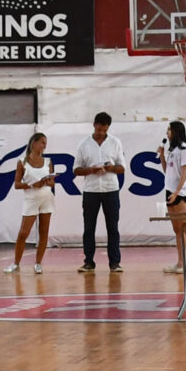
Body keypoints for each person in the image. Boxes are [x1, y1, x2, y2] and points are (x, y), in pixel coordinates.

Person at [74, 112, 127, 272]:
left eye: (104, 130)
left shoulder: (115, 142)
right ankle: (89, 261)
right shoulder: (84, 144)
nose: (101, 133)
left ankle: (115, 263)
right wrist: (91, 170)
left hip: (111, 189)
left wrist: (110, 168)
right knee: (89, 228)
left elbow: (122, 168)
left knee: (113, 227)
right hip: (91, 190)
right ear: (94, 125)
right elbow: (76, 169)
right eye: (99, 130)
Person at [7, 133, 57, 273]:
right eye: (42, 142)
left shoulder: (48, 161)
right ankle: (16, 264)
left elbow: (52, 183)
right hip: (31, 199)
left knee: (44, 232)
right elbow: (17, 184)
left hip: (46, 198)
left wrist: (48, 181)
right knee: (24, 233)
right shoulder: (22, 162)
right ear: (33, 143)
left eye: (45, 143)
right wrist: (31, 184)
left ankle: (38, 263)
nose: (44, 146)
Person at [159, 121, 186, 276]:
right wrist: (162, 156)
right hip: (169, 190)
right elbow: (168, 171)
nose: (167, 132)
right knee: (177, 229)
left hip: (180, 192)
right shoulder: (172, 150)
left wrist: (178, 191)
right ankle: (181, 262)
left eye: (169, 129)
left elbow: (185, 171)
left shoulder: (184, 149)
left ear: (176, 131)